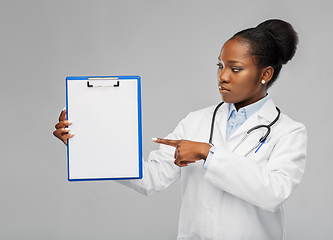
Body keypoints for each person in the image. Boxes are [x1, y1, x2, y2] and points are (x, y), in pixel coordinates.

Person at [54, 19, 307, 240]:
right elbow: (151, 178)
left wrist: (209, 154)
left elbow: (274, 193)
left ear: (266, 74)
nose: (223, 76)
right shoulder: (195, 121)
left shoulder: (288, 132)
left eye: (235, 68)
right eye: (220, 66)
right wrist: (87, 144)